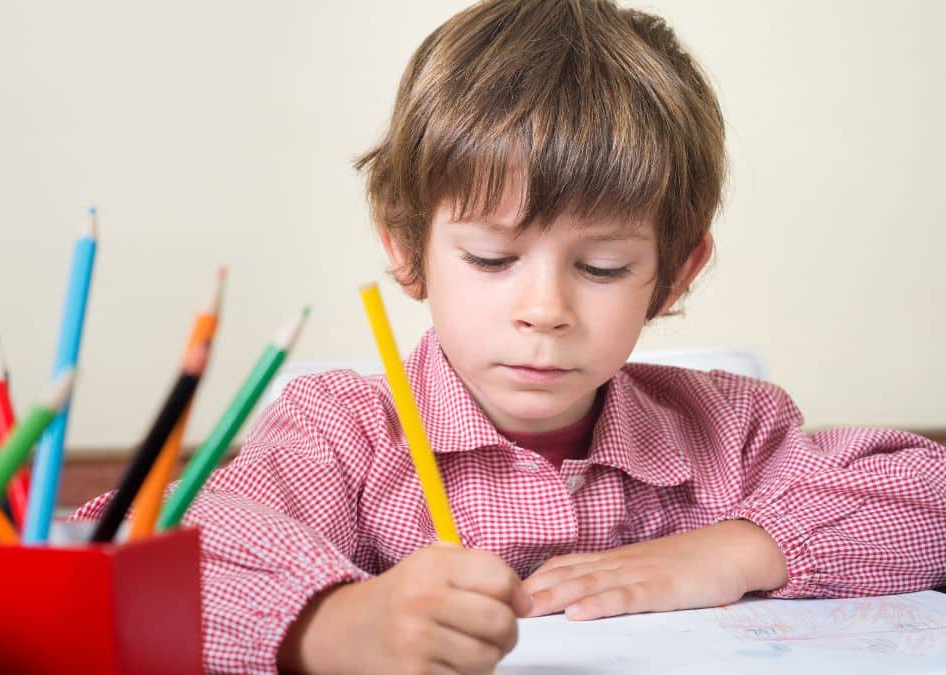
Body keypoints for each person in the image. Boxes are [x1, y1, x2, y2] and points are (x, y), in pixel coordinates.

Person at [75, 1, 946, 672]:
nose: (545, 309)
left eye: (602, 266)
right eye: (492, 258)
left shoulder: (731, 429)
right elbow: (128, 556)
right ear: (405, 246)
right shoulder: (340, 433)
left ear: (675, 273)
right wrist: (333, 625)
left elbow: (927, 494)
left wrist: (737, 549)